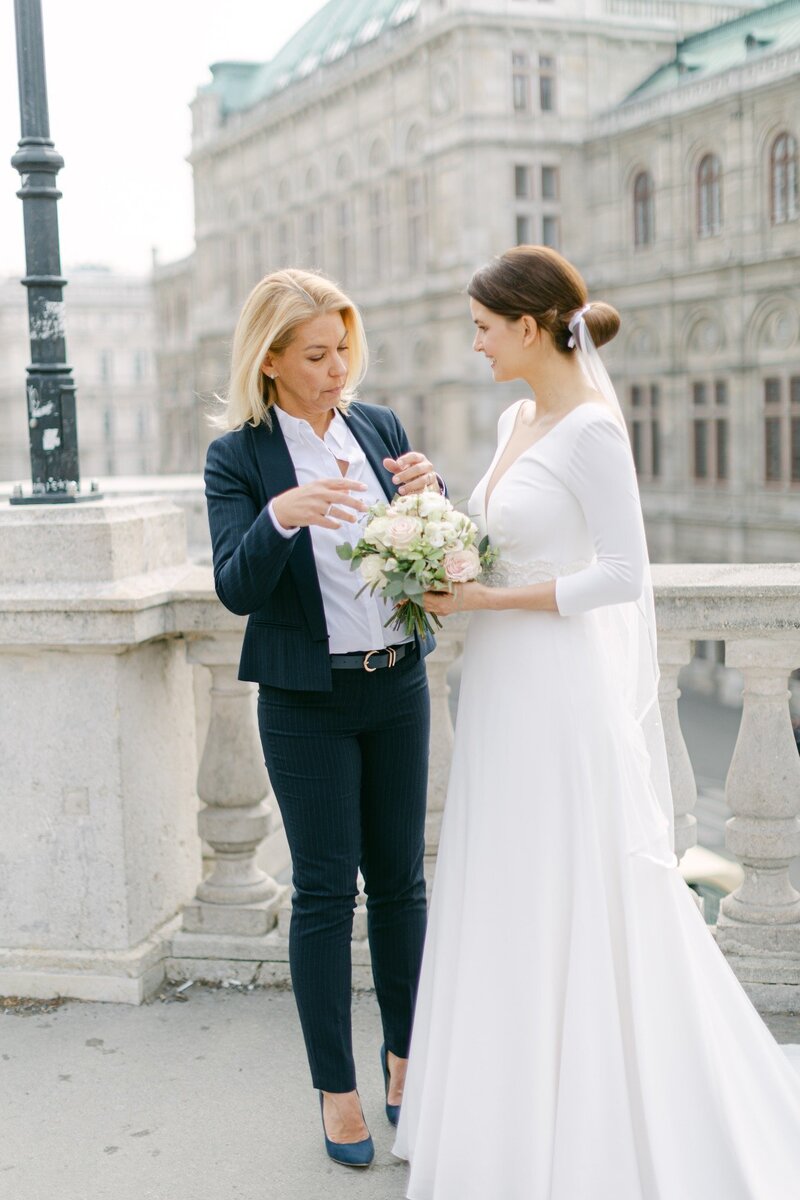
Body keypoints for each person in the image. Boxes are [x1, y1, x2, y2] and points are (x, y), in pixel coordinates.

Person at [392, 245, 800, 1199]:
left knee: (571, 881)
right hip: (498, 690)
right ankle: (503, 1115)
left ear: (531, 327)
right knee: (502, 879)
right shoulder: (513, 418)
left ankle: (592, 1117)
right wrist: (436, 516)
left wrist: (488, 604)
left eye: (485, 328)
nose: (476, 344)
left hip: (555, 690)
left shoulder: (593, 433)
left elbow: (622, 573)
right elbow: (506, 534)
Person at [205, 268, 444, 1169]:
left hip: (397, 686)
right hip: (307, 703)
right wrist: (280, 517)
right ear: (270, 362)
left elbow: (417, 551)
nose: (338, 366)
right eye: (317, 353)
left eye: (343, 347)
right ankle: (336, 1091)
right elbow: (235, 586)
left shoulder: (377, 426)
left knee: (401, 886)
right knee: (321, 895)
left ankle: (405, 1062)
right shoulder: (239, 456)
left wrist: (429, 492)